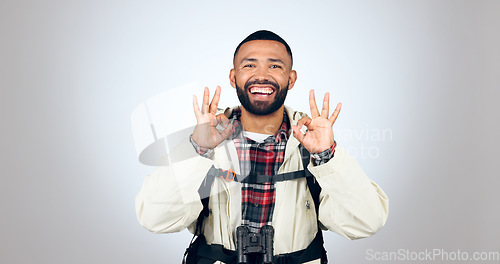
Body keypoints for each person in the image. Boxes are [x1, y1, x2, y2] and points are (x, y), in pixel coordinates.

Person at [135, 30, 389, 264]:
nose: (262, 75)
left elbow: (365, 223)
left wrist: (326, 156)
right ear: (234, 77)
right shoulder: (206, 140)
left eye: (275, 66)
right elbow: (155, 220)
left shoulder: (311, 144)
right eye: (249, 65)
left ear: (291, 79)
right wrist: (198, 149)